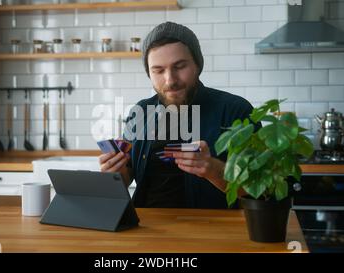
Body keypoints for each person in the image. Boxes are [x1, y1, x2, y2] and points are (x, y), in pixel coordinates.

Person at [99, 22, 259, 209]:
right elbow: (127, 176)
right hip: (146, 230)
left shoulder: (235, 110)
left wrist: (213, 169)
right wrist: (114, 175)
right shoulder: (141, 111)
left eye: (180, 66)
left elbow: (259, 188)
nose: (170, 80)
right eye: (158, 70)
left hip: (212, 230)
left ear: (197, 65)